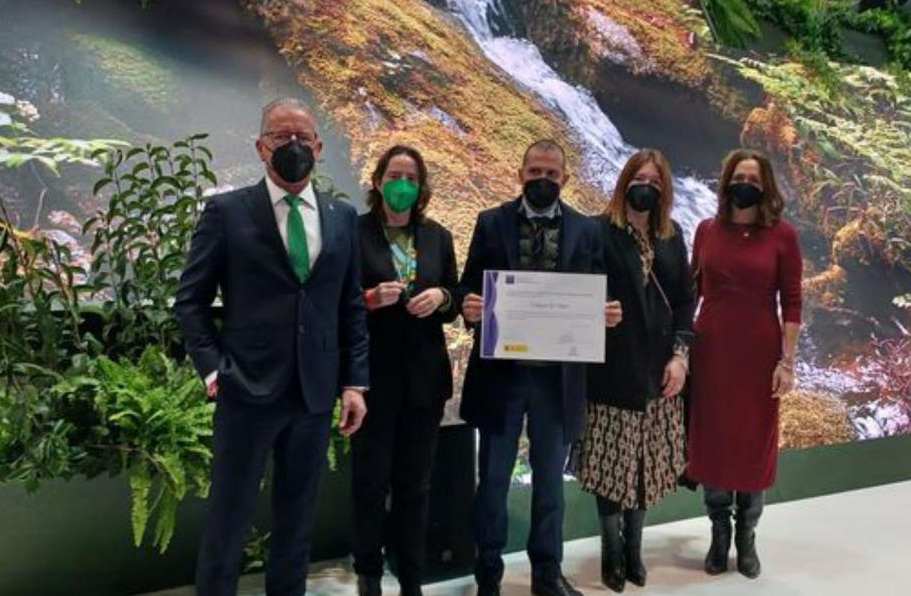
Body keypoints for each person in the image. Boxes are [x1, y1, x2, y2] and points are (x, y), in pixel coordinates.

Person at [175, 98, 370, 596]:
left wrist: (354, 383)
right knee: (229, 521)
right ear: (262, 147)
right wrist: (213, 371)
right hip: (245, 392)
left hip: (313, 393)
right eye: (282, 137)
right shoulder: (226, 211)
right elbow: (191, 301)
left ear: (319, 148)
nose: (294, 146)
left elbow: (350, 306)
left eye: (303, 137)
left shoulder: (343, 218)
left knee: (297, 522)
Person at [458, 139, 622, 596]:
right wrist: (469, 304)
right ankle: (487, 573)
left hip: (558, 380)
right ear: (520, 173)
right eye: (535, 172)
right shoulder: (490, 223)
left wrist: (605, 315)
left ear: (565, 179)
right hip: (501, 378)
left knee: (550, 483)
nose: (542, 181)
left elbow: (594, 293)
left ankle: (546, 574)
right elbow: (470, 284)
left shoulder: (587, 231)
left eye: (551, 174)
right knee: (492, 481)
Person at [576, 150, 694, 592]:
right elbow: (576, 291)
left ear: (664, 191)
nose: (647, 186)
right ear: (625, 181)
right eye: (640, 178)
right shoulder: (596, 231)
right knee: (611, 466)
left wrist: (681, 356)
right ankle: (610, 550)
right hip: (610, 372)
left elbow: (685, 299)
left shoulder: (672, 235)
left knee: (645, 465)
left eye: (656, 182)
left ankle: (634, 549)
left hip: (659, 373)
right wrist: (593, 312)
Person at [687, 147, 802, 580]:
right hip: (711, 350)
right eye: (739, 177)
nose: (746, 185)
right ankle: (718, 533)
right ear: (726, 182)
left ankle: (746, 537)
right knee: (712, 441)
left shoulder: (783, 236)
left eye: (754, 179)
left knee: (754, 444)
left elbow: (792, 303)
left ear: (766, 186)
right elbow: (691, 292)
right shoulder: (705, 230)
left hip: (758, 355)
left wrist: (786, 363)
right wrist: (678, 349)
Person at [351, 145, 460, 596]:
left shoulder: (438, 236)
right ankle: (369, 573)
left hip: (424, 380)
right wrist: (370, 300)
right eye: (395, 175)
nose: (403, 185)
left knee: (415, 485)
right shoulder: (352, 233)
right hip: (372, 379)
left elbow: (455, 296)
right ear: (378, 182)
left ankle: (411, 578)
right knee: (370, 483)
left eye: (412, 178)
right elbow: (335, 303)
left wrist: (442, 298)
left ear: (421, 187)